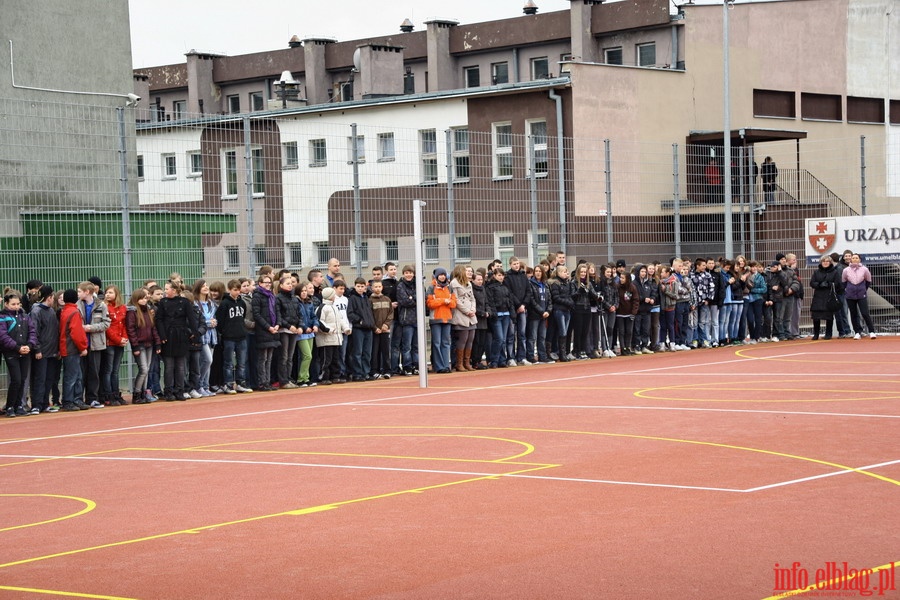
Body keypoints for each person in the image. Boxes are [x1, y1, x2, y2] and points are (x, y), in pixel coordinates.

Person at [155, 280, 198, 401]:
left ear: (174, 290)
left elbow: (192, 319)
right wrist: (162, 335)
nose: (165, 291)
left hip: (181, 336)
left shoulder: (184, 302)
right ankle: (168, 390)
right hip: (168, 336)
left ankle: (180, 390)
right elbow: (159, 320)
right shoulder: (163, 302)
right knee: (169, 366)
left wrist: (195, 335)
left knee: (180, 366)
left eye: (167, 289)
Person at [1, 292, 37, 417]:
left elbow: (32, 331)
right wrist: (17, 348)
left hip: (25, 351)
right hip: (11, 352)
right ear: (6, 304)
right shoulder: (2, 317)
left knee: (22, 379)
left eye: (18, 304)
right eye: (13, 304)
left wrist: (29, 345)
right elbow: (3, 336)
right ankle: (10, 406)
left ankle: (19, 405)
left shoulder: (25, 316)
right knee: (15, 379)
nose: (16, 306)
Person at [215, 279, 253, 394]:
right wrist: (225, 332)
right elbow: (220, 320)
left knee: (241, 362)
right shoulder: (225, 303)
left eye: (239, 290)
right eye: (235, 290)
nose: (237, 292)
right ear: (229, 290)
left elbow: (243, 316)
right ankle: (228, 384)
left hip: (241, 336)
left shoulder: (241, 302)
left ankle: (241, 383)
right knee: (228, 362)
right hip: (229, 338)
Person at [76, 282, 110, 408]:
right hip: (81, 345)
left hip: (96, 344)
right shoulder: (77, 306)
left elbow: (106, 323)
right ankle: (79, 398)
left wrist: (91, 328)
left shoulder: (101, 305)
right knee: (81, 373)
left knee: (94, 372)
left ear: (87, 292)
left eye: (80, 291)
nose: (78, 294)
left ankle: (92, 398)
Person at [125, 288, 161, 404]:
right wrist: (134, 346)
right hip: (139, 345)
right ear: (136, 299)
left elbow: (153, 328)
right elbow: (131, 330)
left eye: (145, 298)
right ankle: (136, 394)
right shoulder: (132, 312)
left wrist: (157, 343)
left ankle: (143, 393)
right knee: (143, 369)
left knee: (147, 369)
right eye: (141, 299)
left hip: (149, 344)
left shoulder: (148, 310)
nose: (144, 300)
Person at [30, 285, 60, 413]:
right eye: (52, 297)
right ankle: (36, 404)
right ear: (49, 297)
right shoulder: (36, 312)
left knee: (49, 379)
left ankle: (44, 403)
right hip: (41, 352)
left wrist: (57, 349)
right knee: (40, 379)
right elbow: (34, 332)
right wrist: (37, 349)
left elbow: (55, 332)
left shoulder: (52, 311)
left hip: (52, 351)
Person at [252, 273, 281, 391]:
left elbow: (277, 311)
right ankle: (262, 382)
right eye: (266, 282)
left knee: (269, 358)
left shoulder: (272, 296)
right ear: (260, 284)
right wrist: (268, 327)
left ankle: (267, 381)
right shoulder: (257, 296)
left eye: (270, 282)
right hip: (263, 331)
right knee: (262, 358)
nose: (268, 285)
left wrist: (277, 324)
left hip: (273, 330)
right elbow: (257, 314)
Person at [101, 285, 129, 405]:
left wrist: (124, 338)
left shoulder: (123, 308)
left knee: (116, 370)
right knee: (109, 370)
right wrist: (118, 339)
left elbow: (124, 325)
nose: (107, 294)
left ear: (116, 294)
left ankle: (116, 394)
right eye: (107, 292)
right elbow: (107, 327)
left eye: (110, 292)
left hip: (119, 342)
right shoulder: (105, 307)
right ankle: (109, 395)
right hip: (110, 343)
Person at [426, 267, 457, 374]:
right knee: (436, 343)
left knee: (446, 343)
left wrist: (440, 301)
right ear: (436, 276)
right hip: (435, 319)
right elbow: (430, 304)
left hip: (447, 318)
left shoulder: (449, 288)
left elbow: (453, 303)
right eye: (440, 275)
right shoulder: (431, 288)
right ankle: (439, 366)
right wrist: (443, 301)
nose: (442, 276)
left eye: (444, 274)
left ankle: (445, 365)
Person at [315, 287, 348, 385]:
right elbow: (320, 321)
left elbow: (340, 320)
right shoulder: (322, 307)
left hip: (336, 338)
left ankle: (335, 376)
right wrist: (328, 329)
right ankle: (324, 376)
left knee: (335, 358)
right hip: (326, 339)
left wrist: (345, 328)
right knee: (326, 359)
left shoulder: (334, 307)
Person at [191, 279, 218, 396]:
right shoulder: (195, 304)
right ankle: (199, 385)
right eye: (203, 286)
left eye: (207, 285)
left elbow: (213, 317)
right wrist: (208, 323)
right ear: (198, 289)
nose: (206, 288)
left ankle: (205, 386)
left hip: (212, 335)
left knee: (209, 362)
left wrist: (214, 322)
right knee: (207, 360)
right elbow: (198, 321)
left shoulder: (211, 303)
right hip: (202, 337)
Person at [503, 257, 532, 366]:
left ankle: (522, 357)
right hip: (512, 309)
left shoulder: (523, 276)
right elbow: (509, 293)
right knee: (511, 334)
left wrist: (524, 304)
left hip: (523, 309)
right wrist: (518, 305)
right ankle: (511, 357)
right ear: (510, 264)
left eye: (518, 263)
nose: (516, 265)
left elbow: (528, 291)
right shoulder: (507, 277)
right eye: (514, 264)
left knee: (522, 334)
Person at [346, 277, 376, 381]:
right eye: (358, 286)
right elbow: (350, 313)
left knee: (367, 352)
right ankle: (357, 373)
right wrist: (359, 321)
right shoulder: (352, 298)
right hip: (358, 328)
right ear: (355, 286)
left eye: (362, 286)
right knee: (357, 352)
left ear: (365, 287)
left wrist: (371, 323)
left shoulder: (366, 298)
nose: (360, 288)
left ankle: (366, 372)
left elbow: (369, 312)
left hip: (368, 328)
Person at [842, 253, 877, 339]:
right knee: (854, 314)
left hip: (861, 294)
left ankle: (872, 331)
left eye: (856, 258)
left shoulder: (864, 269)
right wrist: (848, 289)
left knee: (865, 313)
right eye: (853, 258)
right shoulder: (846, 270)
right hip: (850, 295)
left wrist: (863, 289)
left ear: (859, 259)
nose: (854, 259)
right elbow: (844, 281)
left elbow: (868, 280)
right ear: (851, 260)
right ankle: (857, 332)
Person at [808, 254, 843, 340]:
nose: (825, 263)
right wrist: (819, 284)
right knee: (816, 316)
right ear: (821, 262)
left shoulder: (835, 272)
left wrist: (829, 284)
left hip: (829, 295)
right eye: (824, 261)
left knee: (829, 316)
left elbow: (838, 284)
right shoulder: (816, 272)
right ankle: (816, 334)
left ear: (830, 262)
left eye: (827, 261)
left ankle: (828, 334)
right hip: (818, 296)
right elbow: (812, 283)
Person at [275, 275, 301, 389]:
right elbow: (278, 315)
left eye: (291, 283)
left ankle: (289, 378)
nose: (290, 285)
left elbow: (299, 314)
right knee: (284, 356)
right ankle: (283, 380)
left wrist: (300, 326)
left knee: (290, 356)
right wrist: (288, 326)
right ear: (281, 285)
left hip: (294, 330)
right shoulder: (278, 298)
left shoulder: (295, 298)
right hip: (285, 330)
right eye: (287, 283)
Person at [449, 265, 477, 372]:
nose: (468, 273)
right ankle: (459, 363)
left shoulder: (468, 283)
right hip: (461, 314)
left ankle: (467, 362)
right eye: (466, 271)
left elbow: (472, 298)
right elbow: (456, 300)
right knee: (463, 339)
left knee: (470, 339)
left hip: (471, 314)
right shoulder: (454, 283)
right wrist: (467, 311)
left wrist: (473, 309)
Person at [526, 264, 553, 364]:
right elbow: (532, 300)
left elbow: (549, 299)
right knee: (532, 337)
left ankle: (542, 356)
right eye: (536, 271)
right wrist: (541, 311)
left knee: (542, 337)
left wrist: (548, 311)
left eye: (540, 271)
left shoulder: (545, 284)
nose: (538, 273)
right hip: (534, 315)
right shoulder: (530, 284)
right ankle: (530, 356)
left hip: (544, 315)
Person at [396, 265, 419, 375]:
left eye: (410, 272)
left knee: (416, 346)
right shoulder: (400, 286)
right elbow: (404, 300)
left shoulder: (417, 284)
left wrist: (412, 298)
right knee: (407, 346)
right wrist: (413, 299)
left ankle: (416, 365)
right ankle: (407, 366)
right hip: (406, 320)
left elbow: (420, 298)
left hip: (417, 319)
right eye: (406, 272)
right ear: (403, 274)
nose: (409, 274)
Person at [548, 265, 574, 362]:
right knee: (562, 331)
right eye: (563, 272)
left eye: (566, 272)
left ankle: (562, 353)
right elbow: (556, 298)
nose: (565, 273)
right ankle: (561, 354)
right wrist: (568, 302)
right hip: (559, 310)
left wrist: (571, 302)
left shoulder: (567, 284)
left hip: (567, 310)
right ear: (558, 273)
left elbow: (570, 295)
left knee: (565, 332)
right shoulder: (556, 283)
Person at [368, 279, 392, 379]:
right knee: (375, 351)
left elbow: (391, 313)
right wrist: (375, 327)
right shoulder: (369, 300)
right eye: (375, 287)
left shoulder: (387, 299)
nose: (378, 289)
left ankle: (387, 370)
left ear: (382, 287)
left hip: (385, 330)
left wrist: (386, 324)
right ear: (372, 288)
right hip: (375, 331)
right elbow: (369, 315)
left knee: (386, 351)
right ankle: (374, 370)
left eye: (379, 287)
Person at [296, 282, 319, 387]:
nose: (304, 293)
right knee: (307, 355)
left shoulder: (309, 303)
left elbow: (313, 316)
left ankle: (306, 377)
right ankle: (301, 378)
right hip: (302, 332)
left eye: (305, 291)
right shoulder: (296, 303)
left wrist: (315, 325)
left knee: (309, 356)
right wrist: (305, 327)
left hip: (310, 333)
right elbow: (298, 318)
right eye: (302, 291)